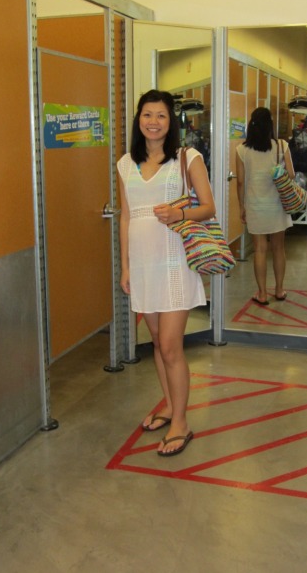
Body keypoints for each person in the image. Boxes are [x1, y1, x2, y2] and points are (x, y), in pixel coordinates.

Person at [117, 89, 216, 456]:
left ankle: (181, 422)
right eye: (147, 114)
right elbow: (127, 217)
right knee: (158, 344)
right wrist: (126, 267)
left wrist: (180, 214)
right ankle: (171, 405)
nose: (153, 122)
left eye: (160, 115)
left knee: (172, 346)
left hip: (175, 264)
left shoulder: (186, 158)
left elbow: (208, 207)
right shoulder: (126, 163)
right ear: (138, 119)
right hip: (142, 266)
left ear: (171, 120)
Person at [235, 107, 295, 305]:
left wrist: (241, 206)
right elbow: (292, 175)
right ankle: (279, 290)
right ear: (270, 125)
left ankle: (261, 293)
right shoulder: (281, 146)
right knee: (278, 248)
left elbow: (241, 182)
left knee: (260, 249)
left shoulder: (242, 150)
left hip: (254, 204)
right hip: (278, 203)